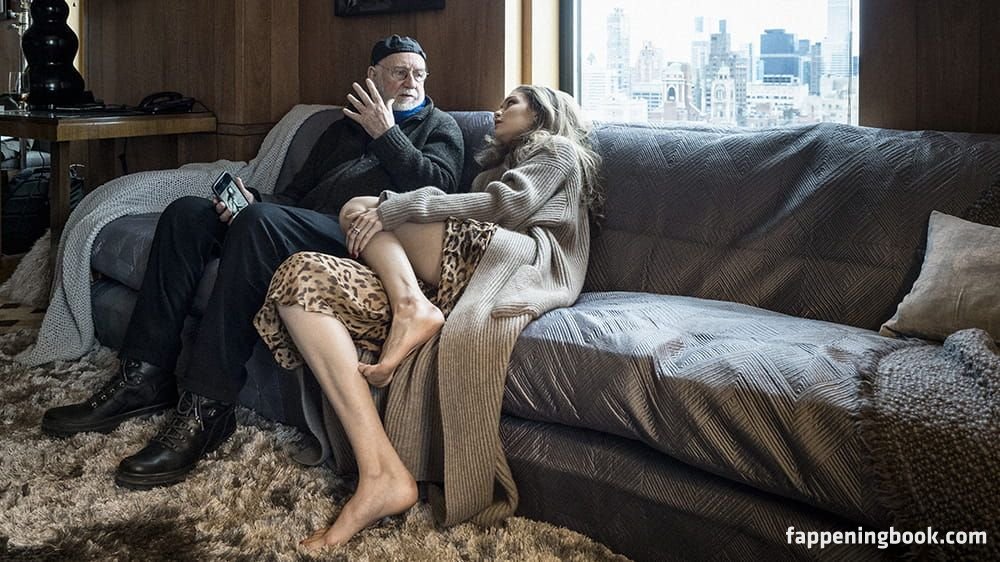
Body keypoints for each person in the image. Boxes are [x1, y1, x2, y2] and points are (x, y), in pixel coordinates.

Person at [39, 35, 466, 491]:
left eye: (419, 74)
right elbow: (295, 197)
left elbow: (439, 191)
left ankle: (208, 407)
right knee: (187, 214)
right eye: (399, 72)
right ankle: (143, 376)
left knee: (259, 222)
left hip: (362, 239)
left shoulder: (440, 128)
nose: (411, 81)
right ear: (373, 77)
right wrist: (253, 199)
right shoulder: (342, 128)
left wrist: (388, 135)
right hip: (301, 222)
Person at [251, 85, 602, 549]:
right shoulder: (491, 171)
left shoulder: (558, 152)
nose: (498, 109)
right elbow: (468, 215)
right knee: (300, 281)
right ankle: (381, 473)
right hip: (458, 273)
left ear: (542, 113)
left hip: (519, 263)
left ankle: (412, 307)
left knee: (361, 208)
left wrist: (405, 206)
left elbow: (506, 207)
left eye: (512, 103)